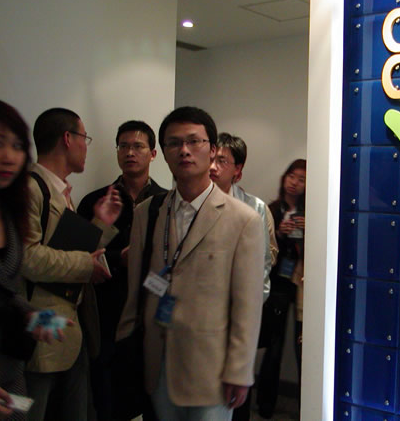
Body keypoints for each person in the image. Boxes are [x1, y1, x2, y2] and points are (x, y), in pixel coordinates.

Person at [117, 106, 265, 421]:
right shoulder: (148, 212)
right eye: (174, 143)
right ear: (164, 153)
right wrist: (125, 342)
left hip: (212, 371)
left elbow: (248, 305)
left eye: (194, 141)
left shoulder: (244, 220)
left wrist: (240, 370)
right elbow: (135, 290)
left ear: (211, 150)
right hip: (156, 362)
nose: (184, 150)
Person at [21, 108, 122, 421]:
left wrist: (100, 224)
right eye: (84, 138)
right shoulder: (30, 189)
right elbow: (27, 257)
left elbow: (63, 248)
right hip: (41, 332)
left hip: (72, 332)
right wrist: (85, 266)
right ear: (68, 138)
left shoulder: (61, 191)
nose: (86, 147)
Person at [78, 120, 165, 420]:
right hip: (106, 309)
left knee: (149, 391)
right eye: (124, 146)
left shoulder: (166, 201)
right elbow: (78, 254)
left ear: (153, 154)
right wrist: (118, 259)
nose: (130, 152)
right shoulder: (96, 201)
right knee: (107, 394)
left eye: (138, 146)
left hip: (150, 308)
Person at [0, 100, 73, 421]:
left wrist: (31, 314)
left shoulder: (8, 212)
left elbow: (4, 290)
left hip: (9, 363)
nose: (8, 156)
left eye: (17, 145)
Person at [209, 132, 279, 421]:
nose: (212, 166)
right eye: (211, 158)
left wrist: (247, 310)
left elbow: (262, 265)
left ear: (238, 170)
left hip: (238, 315)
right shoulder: (193, 203)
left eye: (221, 161)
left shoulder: (254, 208)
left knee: (236, 392)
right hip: (203, 316)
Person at [257, 159, 306, 419]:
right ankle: (265, 406)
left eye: (302, 179)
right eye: (291, 176)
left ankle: (307, 407)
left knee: (303, 346)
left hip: (302, 284)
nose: (294, 182)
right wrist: (279, 232)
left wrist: (309, 231)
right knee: (274, 345)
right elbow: (264, 250)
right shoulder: (272, 210)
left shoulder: (311, 212)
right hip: (277, 284)